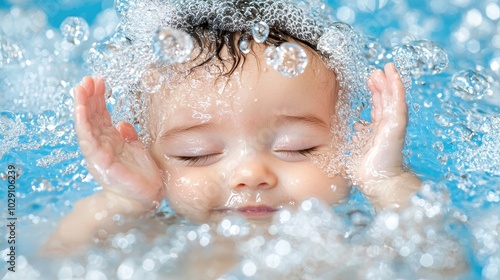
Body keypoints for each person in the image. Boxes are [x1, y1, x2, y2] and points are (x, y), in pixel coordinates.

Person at [44, 0, 421, 255]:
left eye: (297, 147)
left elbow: (442, 264)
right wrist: (122, 201)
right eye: (196, 154)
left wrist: (387, 181)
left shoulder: (355, 240)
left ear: (347, 143)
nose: (250, 175)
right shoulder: (154, 238)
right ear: (152, 158)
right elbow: (53, 262)